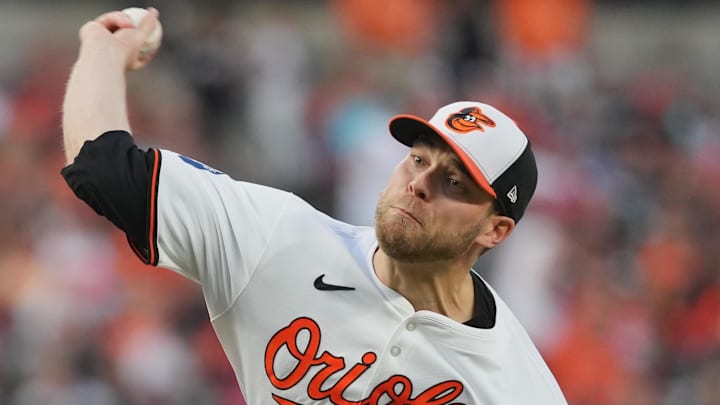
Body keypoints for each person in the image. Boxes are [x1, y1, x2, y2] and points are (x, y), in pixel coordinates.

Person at [60, 8, 567, 405]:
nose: (418, 183)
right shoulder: (276, 239)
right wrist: (103, 51)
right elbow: (100, 168)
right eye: (417, 159)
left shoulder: (513, 382)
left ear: (495, 230)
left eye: (454, 181)